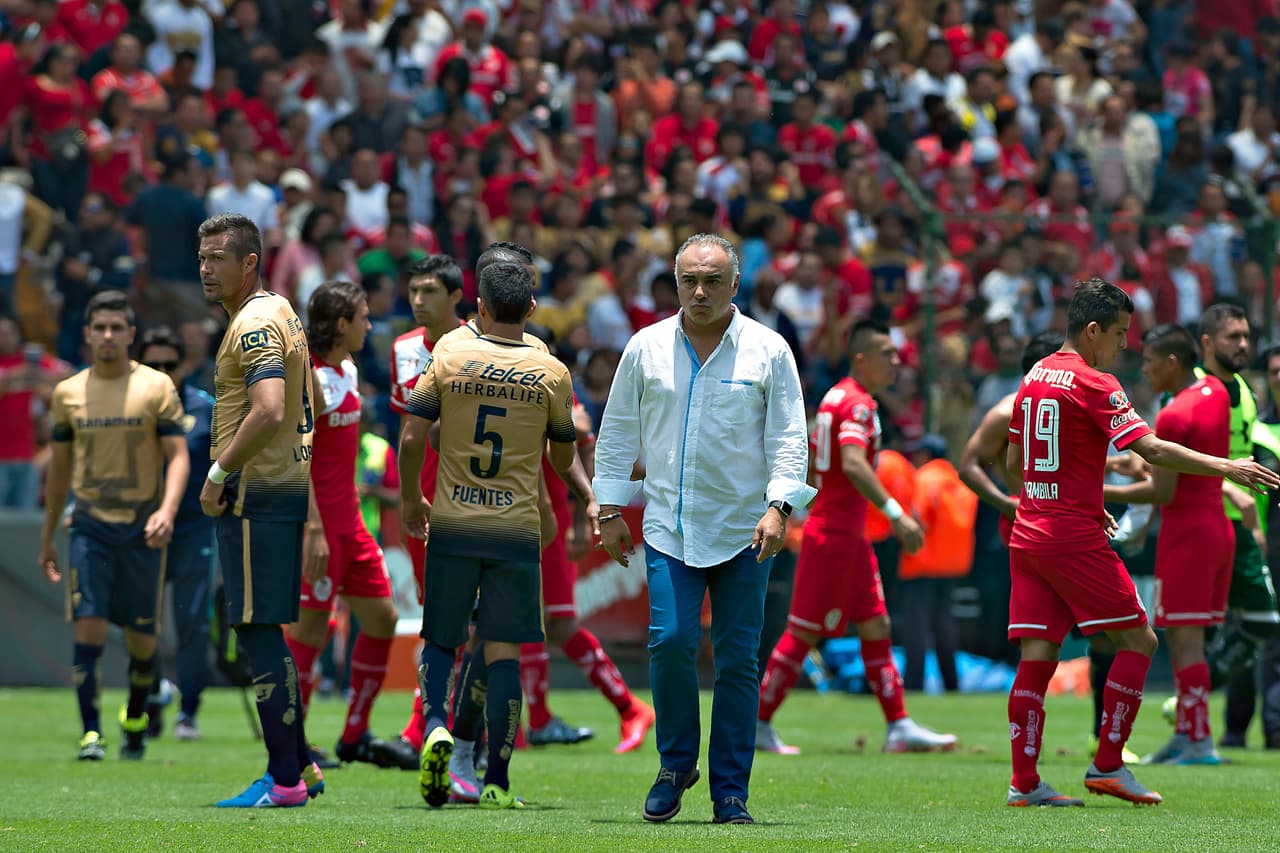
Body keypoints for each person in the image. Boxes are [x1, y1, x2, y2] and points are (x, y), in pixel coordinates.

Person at [1002, 278, 1278, 808]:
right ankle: (1108, 766)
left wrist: (1074, 491)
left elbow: (1016, 465)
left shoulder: (1035, 373)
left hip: (1029, 533)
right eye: (1120, 332)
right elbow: (1150, 450)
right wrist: (1227, 467)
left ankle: (1025, 782)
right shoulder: (1095, 381)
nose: (1125, 344)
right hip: (1072, 539)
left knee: (1037, 658)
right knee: (1141, 642)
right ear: (1092, 330)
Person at [594, 233, 814, 826]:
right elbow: (616, 433)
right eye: (689, 279)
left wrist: (779, 507)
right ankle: (675, 764)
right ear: (674, 282)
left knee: (739, 661)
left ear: (735, 284)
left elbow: (791, 437)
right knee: (669, 643)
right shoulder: (644, 347)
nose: (699, 291)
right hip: (668, 525)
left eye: (712, 280)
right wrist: (609, 509)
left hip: (748, 530)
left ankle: (731, 791)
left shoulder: (768, 350)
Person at [399, 260, 578, 810]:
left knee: (442, 640)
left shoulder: (450, 352)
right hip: (515, 529)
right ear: (530, 310)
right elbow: (564, 451)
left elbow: (412, 434)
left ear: (478, 305)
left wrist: (412, 499)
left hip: (454, 519)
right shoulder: (551, 371)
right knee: (503, 654)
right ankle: (496, 779)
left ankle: (433, 726)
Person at [756, 321, 957, 756]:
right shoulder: (859, 404)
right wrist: (896, 513)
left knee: (876, 624)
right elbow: (852, 461)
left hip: (847, 534)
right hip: (835, 537)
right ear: (862, 358)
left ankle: (899, 725)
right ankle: (757, 723)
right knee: (802, 632)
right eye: (887, 353)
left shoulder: (835, 398)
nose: (897, 361)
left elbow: (821, 462)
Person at [197, 213, 322, 808]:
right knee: (264, 627)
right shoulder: (281, 310)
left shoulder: (251, 324)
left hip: (255, 492)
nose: (206, 266)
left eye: (218, 256)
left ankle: (285, 781)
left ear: (250, 261)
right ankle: (304, 767)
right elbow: (312, 397)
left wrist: (219, 472)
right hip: (282, 486)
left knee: (257, 633)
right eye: (202, 256)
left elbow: (270, 408)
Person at [39, 290, 190, 761]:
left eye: (116, 328)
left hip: (142, 525)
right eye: (99, 328)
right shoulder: (68, 392)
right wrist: (48, 535)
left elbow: (179, 455)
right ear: (86, 335)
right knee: (89, 626)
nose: (107, 336)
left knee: (143, 641)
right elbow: (60, 470)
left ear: (130, 335)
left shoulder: (156, 388)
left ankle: (136, 715)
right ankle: (90, 732)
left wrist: (166, 510)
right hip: (89, 524)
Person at [282, 280, 417, 771]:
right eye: (363, 317)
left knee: (381, 619)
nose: (370, 325)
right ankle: (292, 744)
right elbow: (299, 459)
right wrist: (314, 527)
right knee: (311, 630)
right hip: (319, 524)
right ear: (341, 324)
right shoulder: (310, 378)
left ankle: (354, 733)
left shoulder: (349, 369)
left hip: (353, 524)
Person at [1101, 325, 1232, 766]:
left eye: (1150, 361)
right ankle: (1185, 734)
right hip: (1216, 526)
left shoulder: (1175, 413)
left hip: (1187, 535)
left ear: (1172, 363)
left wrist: (1100, 491)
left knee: (1184, 641)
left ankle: (1198, 739)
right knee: (1188, 637)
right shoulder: (1215, 391)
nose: (1145, 369)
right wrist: (1136, 467)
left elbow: (1162, 494)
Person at [387, 254, 464, 756]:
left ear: (457, 297)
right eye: (413, 290)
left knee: (467, 616)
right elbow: (407, 430)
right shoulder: (403, 349)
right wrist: (408, 493)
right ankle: (428, 722)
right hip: (423, 503)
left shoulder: (474, 345)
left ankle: (428, 726)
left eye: (430, 291)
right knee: (436, 614)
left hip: (469, 499)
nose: (418, 300)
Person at [1194, 303, 1280, 696]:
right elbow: (1170, 454)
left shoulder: (1245, 391)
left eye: (1246, 336)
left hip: (1239, 526)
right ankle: (1193, 720)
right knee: (1196, 625)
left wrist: (1255, 523)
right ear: (1209, 341)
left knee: (1261, 621)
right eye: (1234, 336)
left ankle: (1197, 691)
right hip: (1201, 519)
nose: (1243, 344)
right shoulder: (1192, 387)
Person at [136, 326, 216, 741]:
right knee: (141, 622)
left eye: (171, 364)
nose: (163, 373)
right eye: (154, 365)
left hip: (193, 529)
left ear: (185, 365)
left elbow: (227, 460)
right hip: (142, 526)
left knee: (191, 623)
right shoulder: (131, 410)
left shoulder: (205, 408)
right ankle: (150, 700)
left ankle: (188, 711)